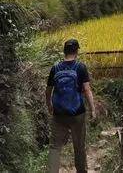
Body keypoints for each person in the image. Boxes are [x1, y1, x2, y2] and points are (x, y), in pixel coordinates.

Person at [46, 38, 96, 173]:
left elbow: (49, 90)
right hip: (78, 113)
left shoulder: (55, 68)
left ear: (64, 51)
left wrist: (49, 105)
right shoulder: (80, 67)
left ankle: (52, 171)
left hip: (59, 114)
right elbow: (87, 89)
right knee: (79, 146)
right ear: (76, 51)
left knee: (55, 147)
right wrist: (93, 109)